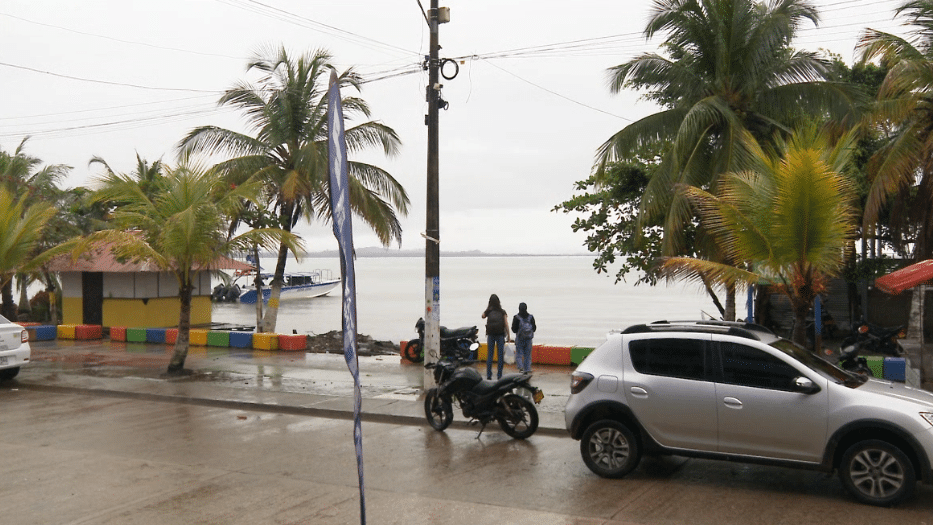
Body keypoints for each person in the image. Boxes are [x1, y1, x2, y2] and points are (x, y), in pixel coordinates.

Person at [481, 294, 510, 379]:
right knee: (500, 356)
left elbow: (482, 316)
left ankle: (489, 375)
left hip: (490, 335)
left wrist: (487, 309)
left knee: (490, 355)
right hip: (500, 335)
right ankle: (499, 375)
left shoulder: (489, 311)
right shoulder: (502, 311)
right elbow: (506, 324)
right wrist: (508, 336)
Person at [511, 302, 536, 373]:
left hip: (520, 338)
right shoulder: (531, 317)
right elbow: (534, 328)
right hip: (528, 339)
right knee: (527, 355)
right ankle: (527, 369)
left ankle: (520, 368)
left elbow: (514, 329)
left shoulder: (516, 317)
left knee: (519, 354)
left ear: (519, 309)